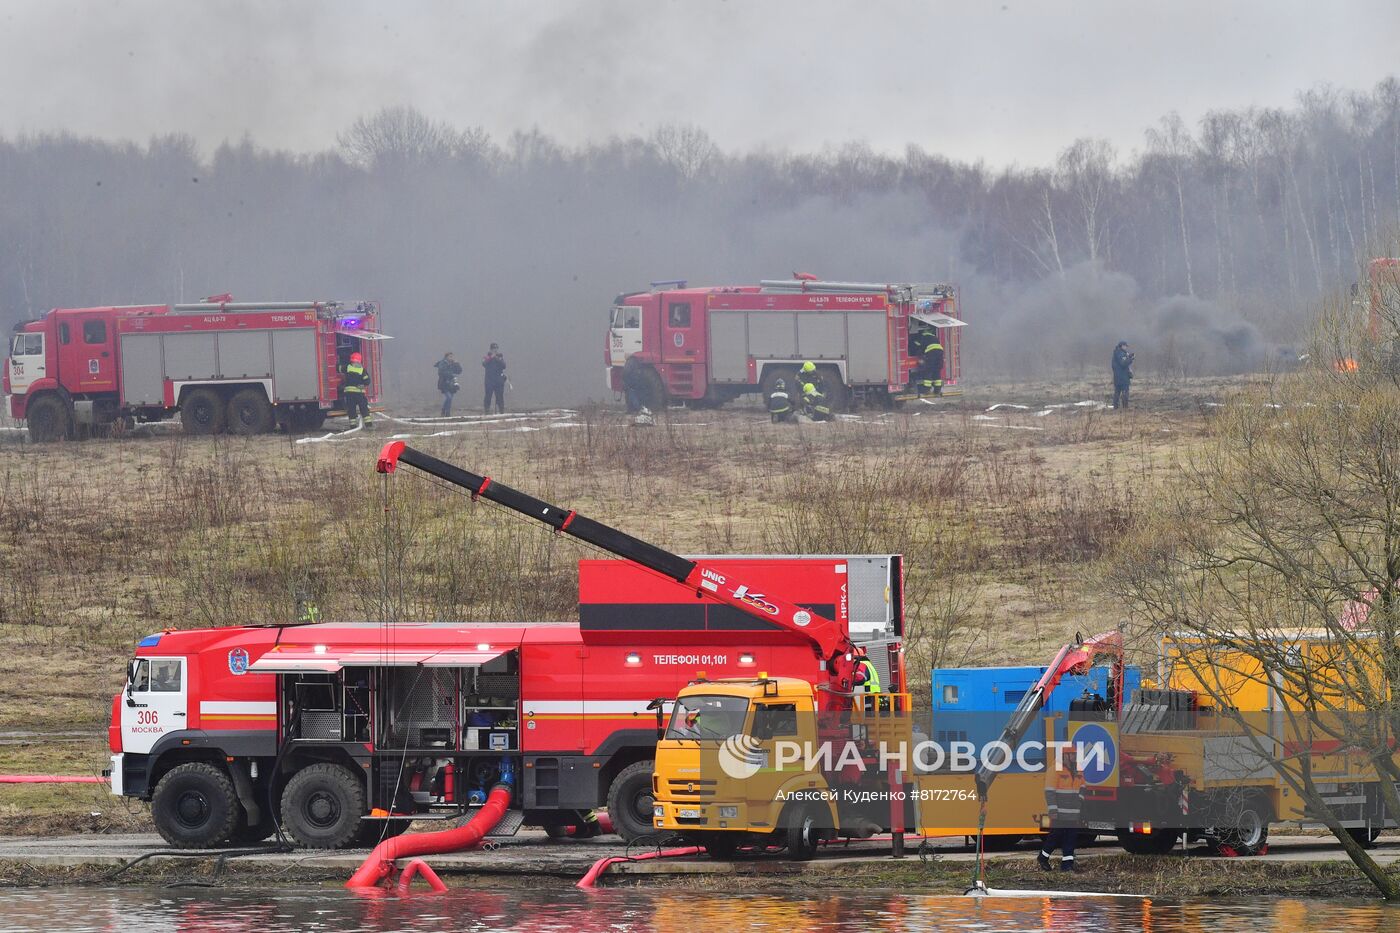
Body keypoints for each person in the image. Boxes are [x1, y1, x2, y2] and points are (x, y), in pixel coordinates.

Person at [1038, 742, 1083, 872]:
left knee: (1071, 838)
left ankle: (1067, 865)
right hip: (1059, 812)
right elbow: (1049, 792)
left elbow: (1083, 786)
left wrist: (1080, 800)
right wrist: (1053, 810)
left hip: (1073, 812)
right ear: (1065, 756)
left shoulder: (1078, 769)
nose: (1075, 757)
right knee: (1055, 836)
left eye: (1075, 754)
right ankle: (1043, 857)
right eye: (1072, 754)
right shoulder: (1055, 770)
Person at [342, 351, 371, 426]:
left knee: (351, 410)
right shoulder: (362, 370)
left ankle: (353, 426)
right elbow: (367, 381)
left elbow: (338, 368)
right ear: (360, 361)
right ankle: (369, 425)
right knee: (364, 408)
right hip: (359, 394)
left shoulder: (347, 367)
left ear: (351, 360)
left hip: (349, 394)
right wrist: (363, 384)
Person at [435, 352, 462, 417]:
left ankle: (443, 410)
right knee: (449, 397)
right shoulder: (442, 363)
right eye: (450, 356)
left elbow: (459, 371)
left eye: (452, 356)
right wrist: (450, 374)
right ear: (446, 357)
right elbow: (441, 372)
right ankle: (447, 413)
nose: (451, 358)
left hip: (452, 383)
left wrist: (457, 364)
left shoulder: (453, 363)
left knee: (450, 398)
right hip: (444, 383)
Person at [482, 343, 507, 414]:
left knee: (500, 396)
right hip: (489, 380)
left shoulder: (500, 356)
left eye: (496, 348)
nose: (495, 350)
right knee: (488, 396)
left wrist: (496, 358)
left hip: (498, 380)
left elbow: (504, 365)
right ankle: (487, 410)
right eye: (493, 348)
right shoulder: (487, 356)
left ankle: (501, 410)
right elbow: (484, 364)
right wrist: (491, 357)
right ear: (491, 349)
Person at [1112, 341, 1134, 410]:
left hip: (1117, 376)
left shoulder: (1117, 353)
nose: (1126, 347)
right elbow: (1123, 363)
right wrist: (1131, 359)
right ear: (1122, 346)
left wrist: (1129, 356)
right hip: (1123, 377)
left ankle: (1116, 408)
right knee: (1125, 392)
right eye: (1125, 346)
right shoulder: (1121, 354)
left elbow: (1121, 361)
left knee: (1117, 392)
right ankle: (1125, 408)